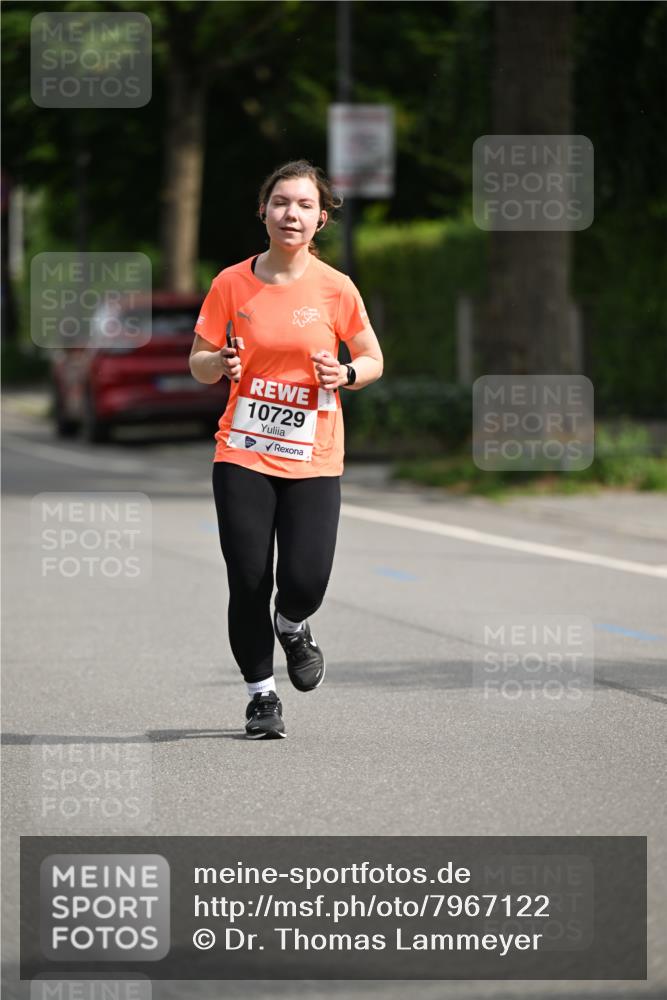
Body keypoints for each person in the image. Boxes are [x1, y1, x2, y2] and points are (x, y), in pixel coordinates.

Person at [189, 159, 383, 739]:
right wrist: (217, 362)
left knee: (306, 578)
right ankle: (261, 697)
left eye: (303, 205)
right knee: (248, 577)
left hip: (314, 456)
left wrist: (345, 373)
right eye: (280, 203)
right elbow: (198, 363)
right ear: (263, 211)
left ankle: (293, 624)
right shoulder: (230, 283)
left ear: (321, 218)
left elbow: (373, 358)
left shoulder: (336, 288)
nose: (290, 214)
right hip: (243, 452)